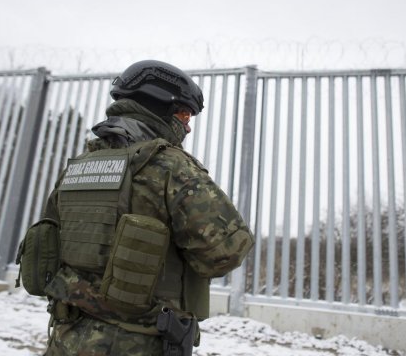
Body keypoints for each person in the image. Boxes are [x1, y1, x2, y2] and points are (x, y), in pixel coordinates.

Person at [39, 60, 254, 355]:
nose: (188, 125)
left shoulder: (79, 164)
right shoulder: (172, 167)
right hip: (137, 343)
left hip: (66, 337)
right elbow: (225, 253)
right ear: (160, 106)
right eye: (184, 113)